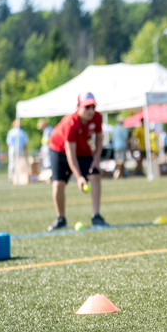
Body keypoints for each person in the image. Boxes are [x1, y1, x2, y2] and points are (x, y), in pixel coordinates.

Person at [47, 92, 109, 231]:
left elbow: (99, 138)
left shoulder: (97, 117)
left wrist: (96, 161)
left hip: (82, 150)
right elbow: (70, 153)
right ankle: (61, 218)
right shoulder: (70, 123)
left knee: (95, 174)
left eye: (93, 106)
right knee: (58, 184)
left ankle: (96, 217)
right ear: (78, 107)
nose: (91, 110)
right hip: (59, 150)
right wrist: (79, 177)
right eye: (87, 107)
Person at [111, 115, 129, 179]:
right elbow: (126, 138)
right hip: (122, 146)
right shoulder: (122, 128)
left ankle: (119, 174)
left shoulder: (115, 128)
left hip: (116, 147)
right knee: (121, 161)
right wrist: (128, 145)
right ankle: (120, 174)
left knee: (118, 161)